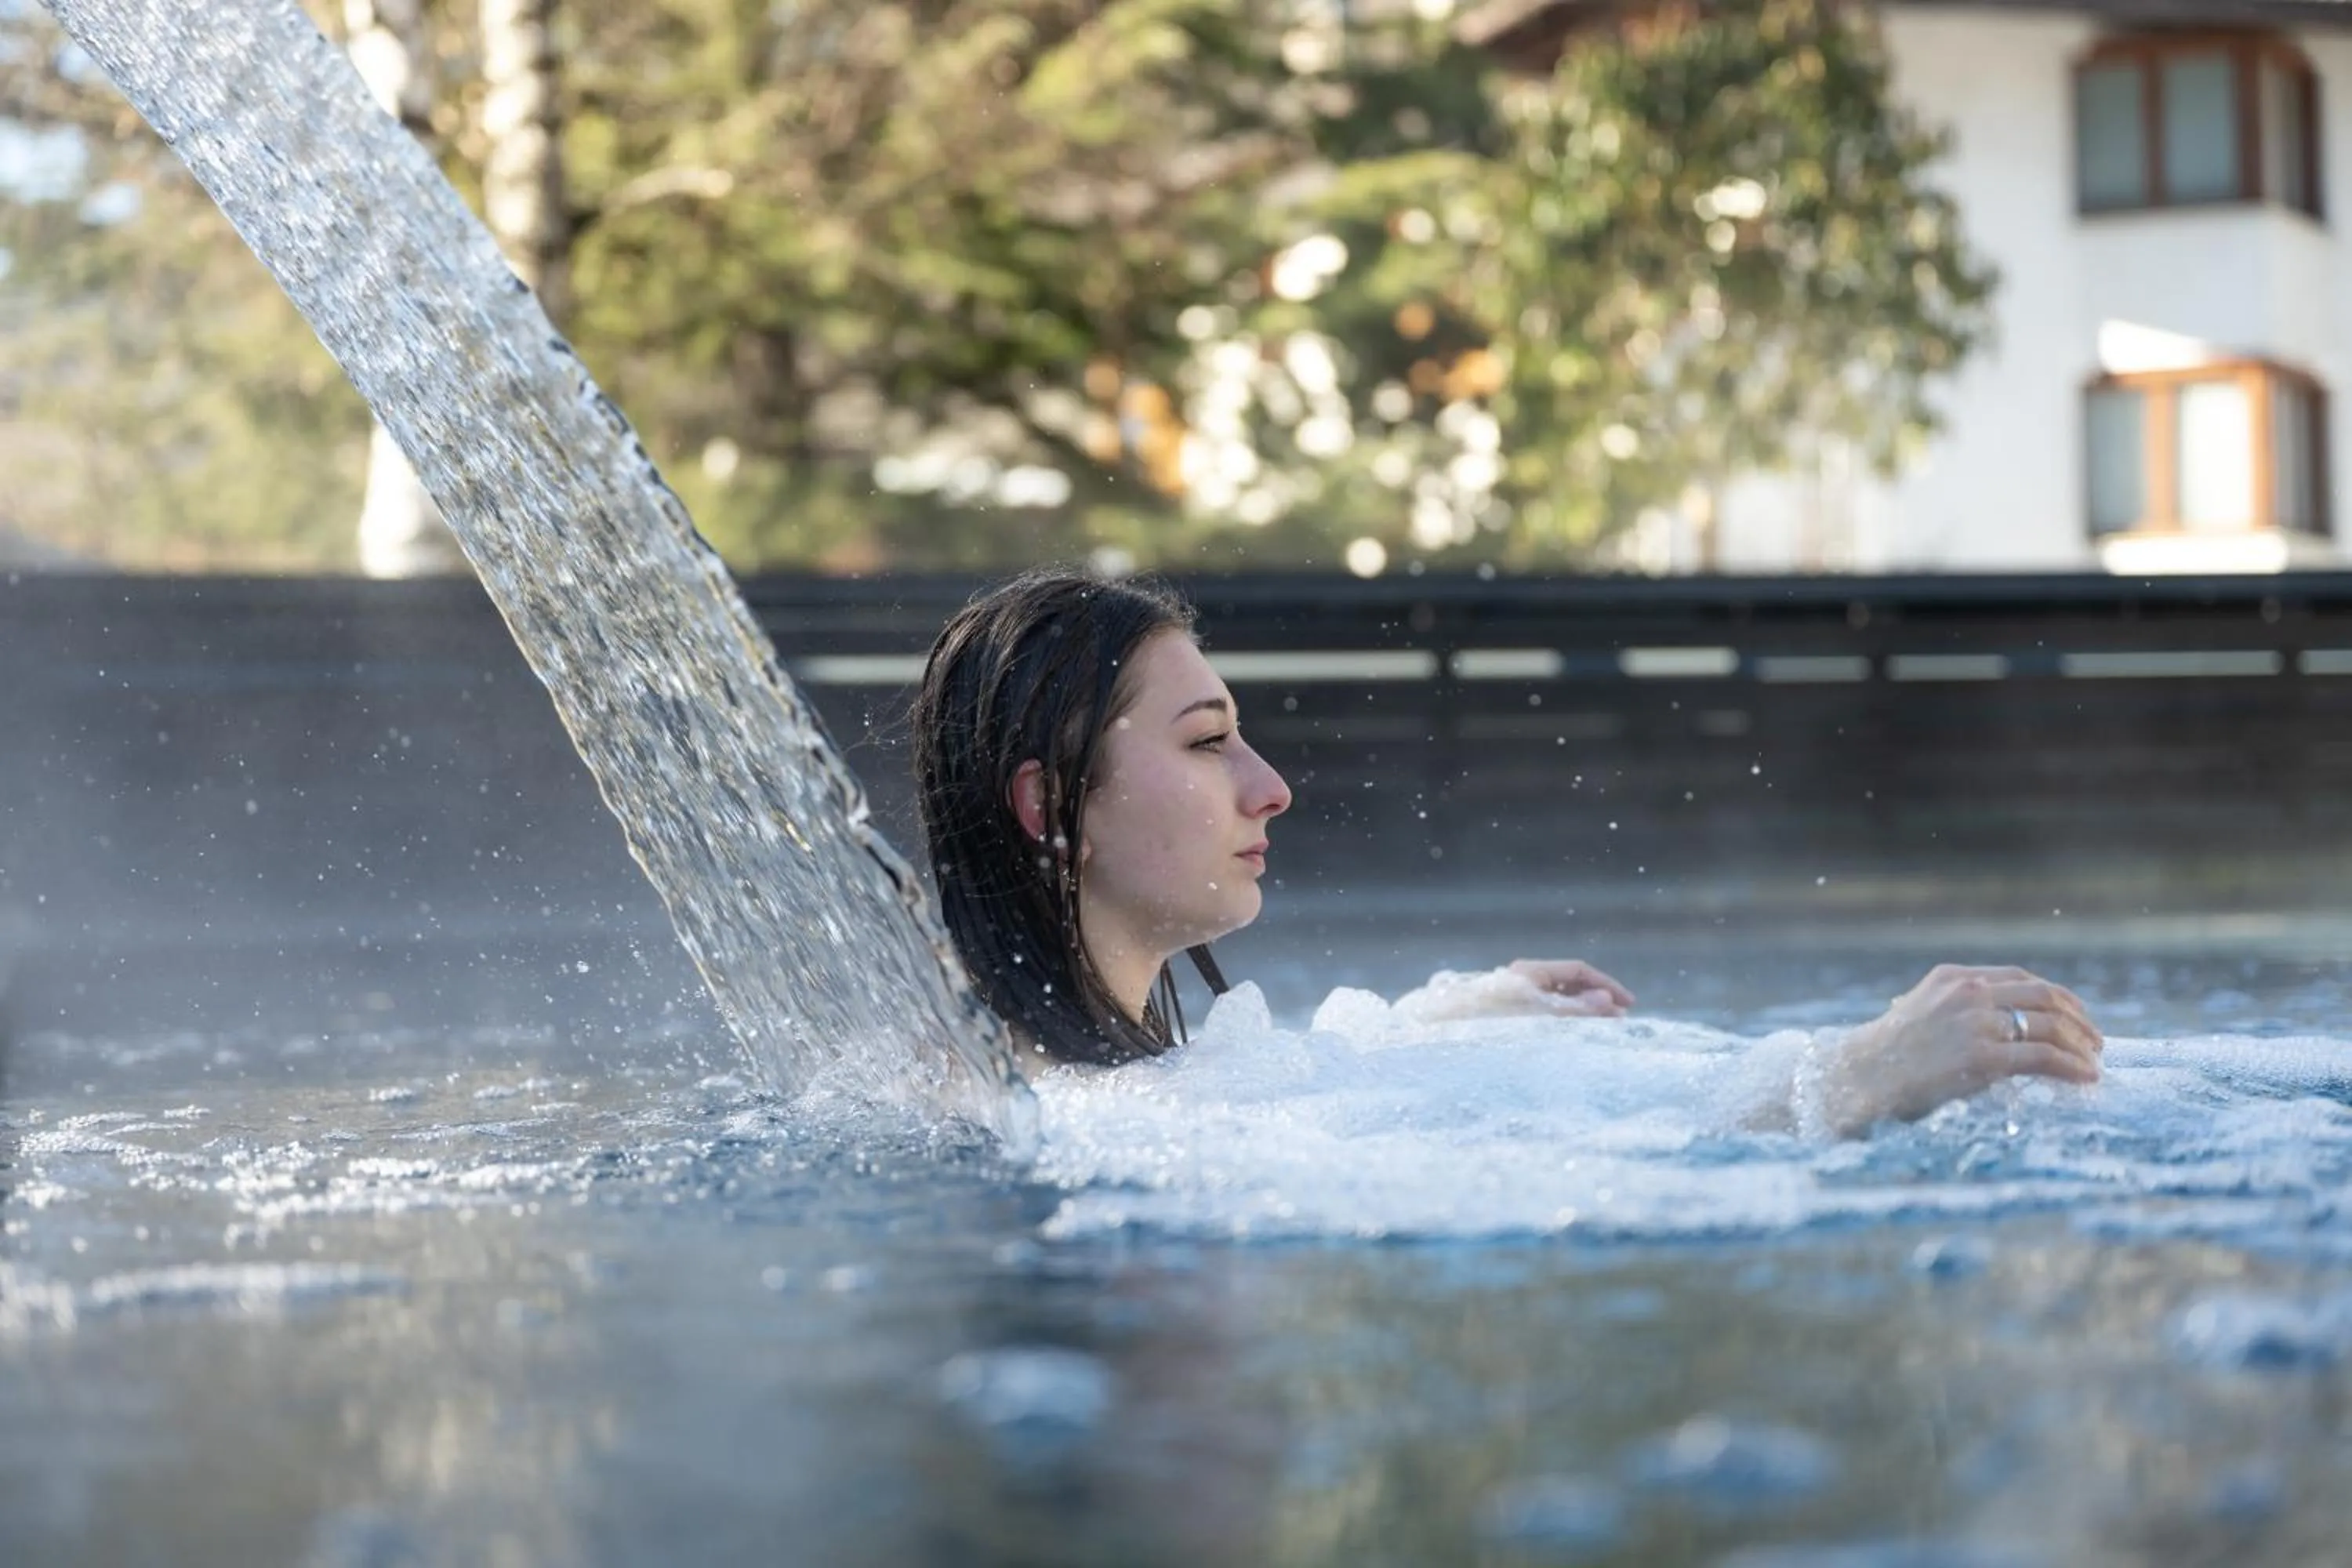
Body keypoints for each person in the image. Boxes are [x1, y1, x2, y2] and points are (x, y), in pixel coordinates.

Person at [909, 568, 2103, 1138]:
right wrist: (1843, 1087)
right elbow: (1523, 1183)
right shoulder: (1049, 1120)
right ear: (1050, 806)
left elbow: (1252, 1108)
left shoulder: (1099, 1086)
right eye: (1209, 740)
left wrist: (1442, 1021)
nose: (1271, 788)